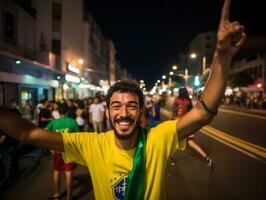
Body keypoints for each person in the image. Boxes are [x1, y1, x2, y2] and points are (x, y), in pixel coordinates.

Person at [0, 1, 246, 199]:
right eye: (116, 106)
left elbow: (203, 112)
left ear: (140, 112)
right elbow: (28, 134)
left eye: (131, 106)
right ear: (108, 112)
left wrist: (221, 55)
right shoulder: (92, 145)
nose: (124, 113)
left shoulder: (157, 139)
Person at [171, 87, 213, 169]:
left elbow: (174, 111)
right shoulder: (188, 101)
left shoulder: (176, 100)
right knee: (191, 142)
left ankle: (170, 157)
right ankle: (207, 158)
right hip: (188, 123)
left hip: (179, 124)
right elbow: (192, 111)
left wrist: (172, 119)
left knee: (174, 141)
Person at [46, 103, 79, 200]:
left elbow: (45, 132)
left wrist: (50, 148)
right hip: (69, 151)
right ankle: (69, 196)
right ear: (67, 112)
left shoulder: (54, 122)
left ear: (58, 112)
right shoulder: (73, 122)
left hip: (57, 151)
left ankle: (56, 194)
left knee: (57, 172)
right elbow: (77, 137)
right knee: (68, 173)